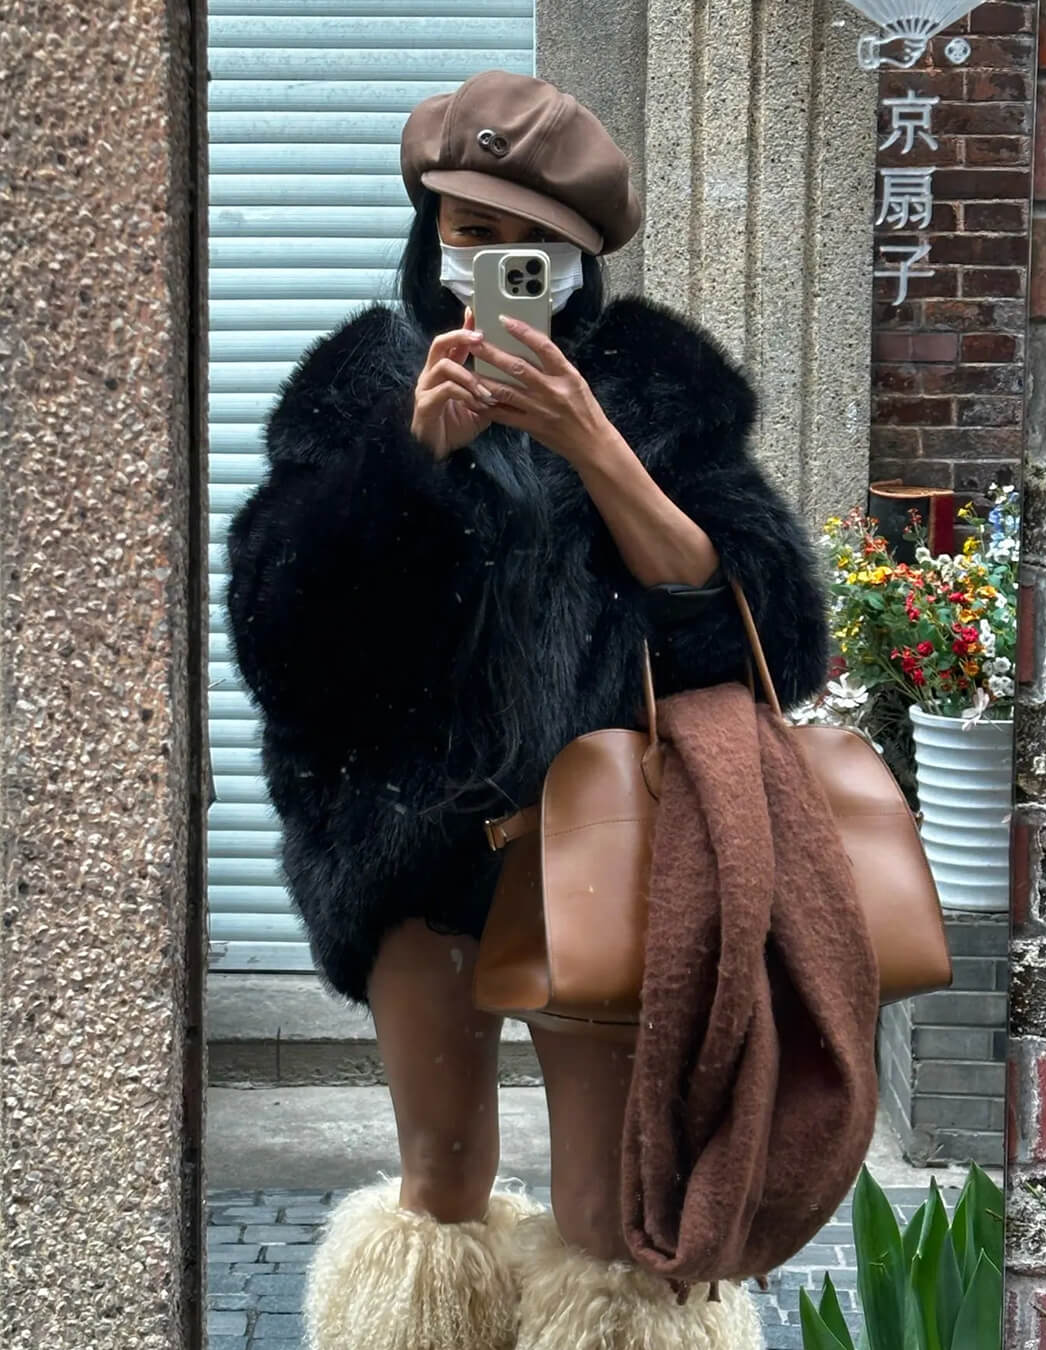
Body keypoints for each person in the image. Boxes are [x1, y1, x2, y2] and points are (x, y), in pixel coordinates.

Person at [225, 69, 829, 1350]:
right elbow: (282, 637)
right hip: (405, 838)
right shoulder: (358, 387)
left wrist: (594, 442)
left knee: (605, 1211)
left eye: (531, 243)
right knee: (441, 1182)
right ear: (431, 231)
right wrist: (409, 462)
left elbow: (772, 636)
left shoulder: (656, 387)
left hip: (603, 841)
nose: (496, 260)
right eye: (472, 229)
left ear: (579, 259)